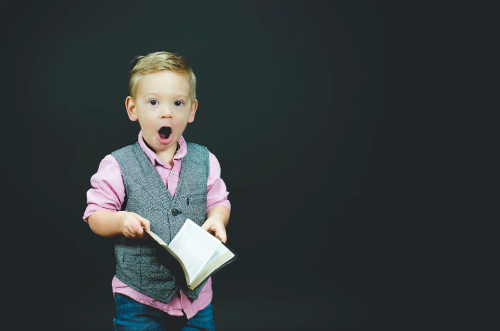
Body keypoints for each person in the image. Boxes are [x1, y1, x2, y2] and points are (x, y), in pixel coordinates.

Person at [83, 51, 231, 330]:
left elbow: (219, 201)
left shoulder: (205, 160)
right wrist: (119, 220)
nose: (167, 112)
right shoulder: (117, 164)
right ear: (132, 109)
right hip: (139, 299)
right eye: (153, 102)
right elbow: (95, 215)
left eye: (178, 103)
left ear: (192, 111)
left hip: (195, 299)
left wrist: (217, 219)